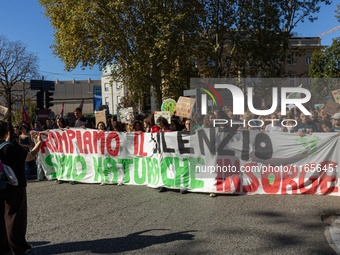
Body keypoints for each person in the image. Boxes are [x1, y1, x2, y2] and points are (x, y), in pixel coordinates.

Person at [0, 120, 42, 254]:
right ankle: (19, 248)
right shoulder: (10, 147)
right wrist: (39, 143)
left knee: (2, 217)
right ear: (7, 133)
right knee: (15, 217)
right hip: (14, 186)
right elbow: (29, 156)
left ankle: (4, 246)